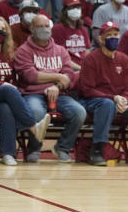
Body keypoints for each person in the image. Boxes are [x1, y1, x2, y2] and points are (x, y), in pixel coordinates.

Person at [0, 17, 50, 166]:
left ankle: (8, 154)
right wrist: (2, 84)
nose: (1, 32)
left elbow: (13, 81)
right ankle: (33, 126)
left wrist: (8, 86)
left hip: (3, 96)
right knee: (7, 90)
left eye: (4, 29)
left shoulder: (8, 54)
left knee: (6, 108)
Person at [78, 21, 128, 166]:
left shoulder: (124, 59)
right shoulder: (91, 58)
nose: (113, 38)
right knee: (107, 104)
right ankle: (97, 150)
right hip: (94, 100)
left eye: (115, 35)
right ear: (101, 39)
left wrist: (124, 99)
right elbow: (87, 89)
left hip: (118, 100)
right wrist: (113, 98)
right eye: (109, 35)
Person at [14, 13, 86, 163]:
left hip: (60, 93)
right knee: (36, 112)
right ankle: (34, 149)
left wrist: (57, 86)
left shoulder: (60, 50)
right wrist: (58, 77)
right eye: (40, 26)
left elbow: (69, 75)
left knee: (79, 112)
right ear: (31, 28)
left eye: (46, 26)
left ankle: (62, 148)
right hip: (32, 93)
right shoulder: (23, 50)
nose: (44, 29)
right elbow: (31, 76)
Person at [52, 0, 90, 65]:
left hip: (83, 66)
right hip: (67, 67)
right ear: (65, 10)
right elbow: (60, 56)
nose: (75, 10)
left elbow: (87, 51)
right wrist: (80, 69)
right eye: (72, 7)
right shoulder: (58, 29)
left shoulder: (83, 29)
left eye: (78, 7)